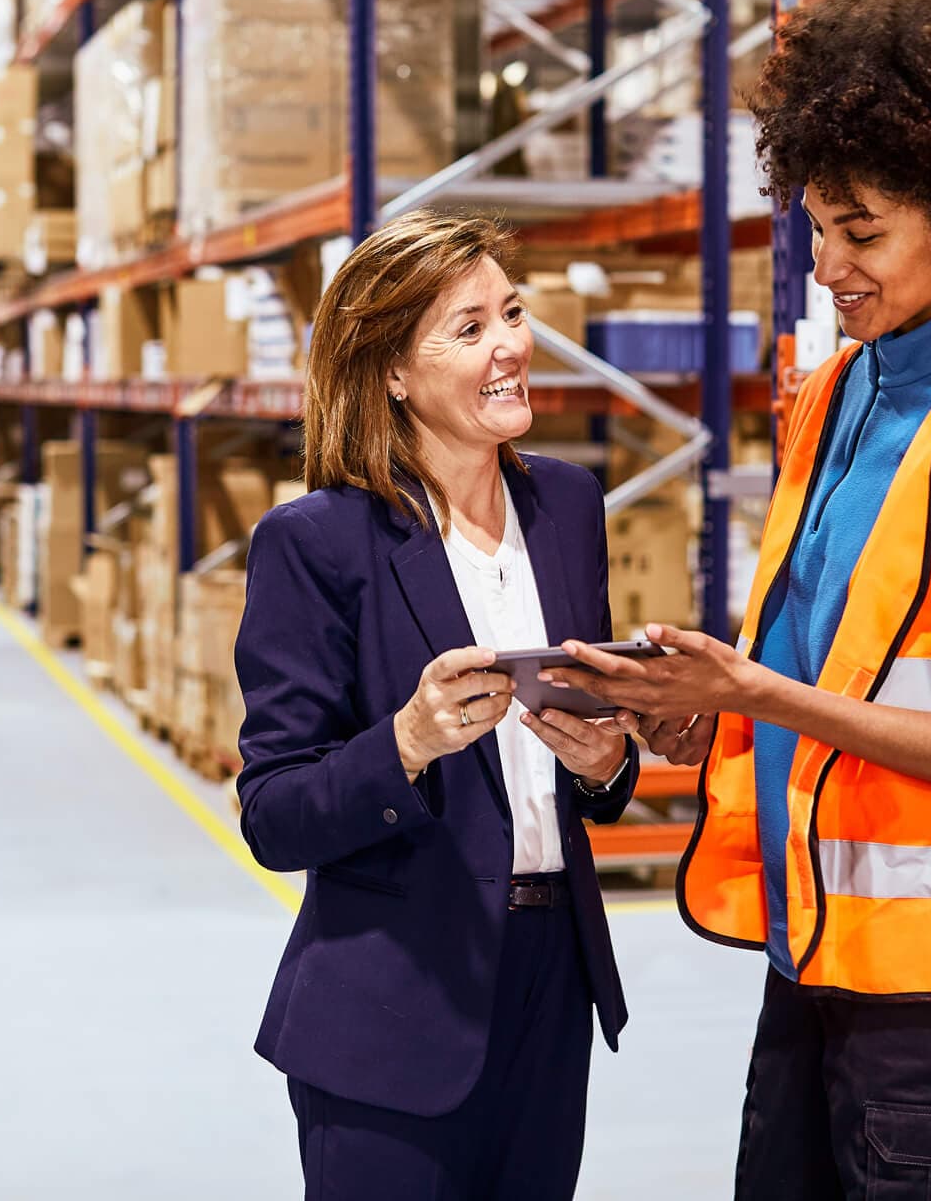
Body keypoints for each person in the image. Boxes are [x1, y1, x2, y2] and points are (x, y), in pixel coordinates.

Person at [542, 0, 931, 1199]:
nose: (828, 267)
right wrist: (694, 709)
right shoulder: (843, 392)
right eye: (815, 228)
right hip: (819, 948)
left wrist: (750, 684)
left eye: (861, 233)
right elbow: (830, 669)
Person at [234, 209, 641, 1200]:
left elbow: (586, 752)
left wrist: (608, 764)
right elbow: (275, 811)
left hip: (552, 984)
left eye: (511, 311)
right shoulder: (320, 543)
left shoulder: (570, 508)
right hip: (394, 1000)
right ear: (393, 373)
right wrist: (406, 742)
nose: (509, 345)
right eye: (468, 329)